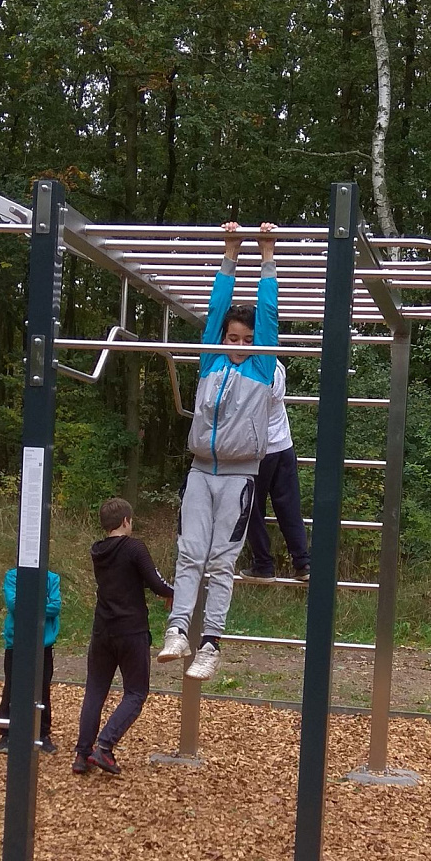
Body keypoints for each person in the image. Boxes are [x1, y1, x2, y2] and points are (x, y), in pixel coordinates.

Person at [157, 221, 278, 681]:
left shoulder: (261, 367)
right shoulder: (210, 359)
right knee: (190, 553)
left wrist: (266, 254)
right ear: (222, 339)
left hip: (239, 475)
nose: (240, 346)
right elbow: (214, 310)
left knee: (221, 561)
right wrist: (231, 251)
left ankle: (210, 643)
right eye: (233, 338)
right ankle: (177, 630)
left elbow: (269, 315)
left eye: (248, 340)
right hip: (200, 470)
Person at [72, 497, 173, 776]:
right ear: (126, 521)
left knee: (95, 691)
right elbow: (156, 582)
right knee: (136, 693)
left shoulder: (97, 550)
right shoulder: (134, 547)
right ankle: (104, 746)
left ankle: (82, 753)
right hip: (131, 630)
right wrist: (174, 593)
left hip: (102, 630)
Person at [241, 358, 310, 582]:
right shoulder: (277, 365)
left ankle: (263, 564)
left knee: (251, 508)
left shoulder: (248, 370)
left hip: (258, 451)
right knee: (289, 507)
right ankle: (303, 562)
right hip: (283, 446)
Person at [0, 567, 61, 754]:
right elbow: (13, 605)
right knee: (12, 686)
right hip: (16, 642)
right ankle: (6, 733)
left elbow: (55, 607)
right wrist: (41, 604)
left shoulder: (51, 578)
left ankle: (43, 733)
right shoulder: (13, 576)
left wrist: (27, 603)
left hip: (43, 643)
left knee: (42, 687)